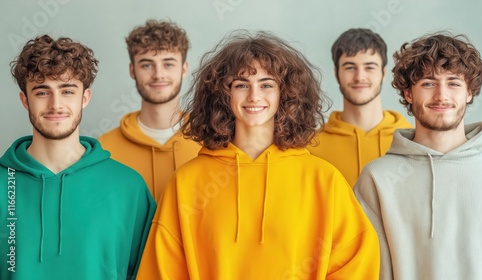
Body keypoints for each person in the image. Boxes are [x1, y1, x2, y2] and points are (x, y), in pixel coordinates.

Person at [136, 30, 380, 280]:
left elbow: (355, 262)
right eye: (241, 85)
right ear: (223, 94)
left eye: (266, 84)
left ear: (285, 94)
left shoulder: (323, 179)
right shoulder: (186, 182)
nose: (254, 96)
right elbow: (163, 270)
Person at [0, 35, 156, 279]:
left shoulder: (128, 187)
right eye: (42, 92)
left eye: (67, 91)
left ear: (85, 98)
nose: (56, 105)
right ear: (25, 100)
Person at [354, 33, 482, 279]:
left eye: (453, 83)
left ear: (469, 93)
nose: (441, 95)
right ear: (408, 94)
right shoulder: (377, 178)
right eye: (428, 83)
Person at [99, 19, 201, 201]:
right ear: (132, 70)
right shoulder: (104, 150)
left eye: (168, 64)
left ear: (184, 69)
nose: (158, 74)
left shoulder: (208, 142)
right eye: (147, 65)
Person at [308, 28, 412, 187]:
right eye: (350, 67)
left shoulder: (412, 142)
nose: (359, 77)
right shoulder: (311, 146)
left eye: (369, 67)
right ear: (336, 74)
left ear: (383, 74)